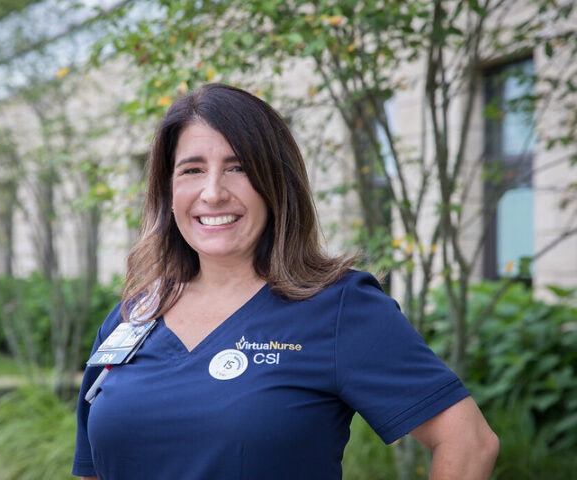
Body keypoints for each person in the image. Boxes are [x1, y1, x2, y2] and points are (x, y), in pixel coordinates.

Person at [72, 83, 499, 479]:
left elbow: (469, 442)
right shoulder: (132, 318)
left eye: (238, 167)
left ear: (276, 184)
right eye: (192, 170)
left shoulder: (339, 307)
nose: (214, 192)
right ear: (167, 191)